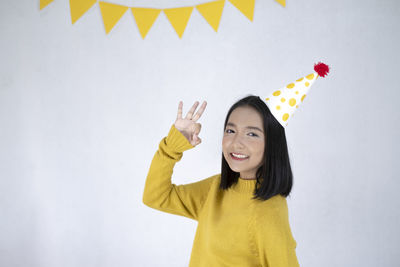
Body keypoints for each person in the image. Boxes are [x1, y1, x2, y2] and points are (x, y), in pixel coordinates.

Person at [143, 95, 299, 267]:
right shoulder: (215, 189)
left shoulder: (269, 212)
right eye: (230, 131)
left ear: (272, 144)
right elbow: (156, 197)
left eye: (252, 134)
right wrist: (171, 147)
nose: (236, 143)